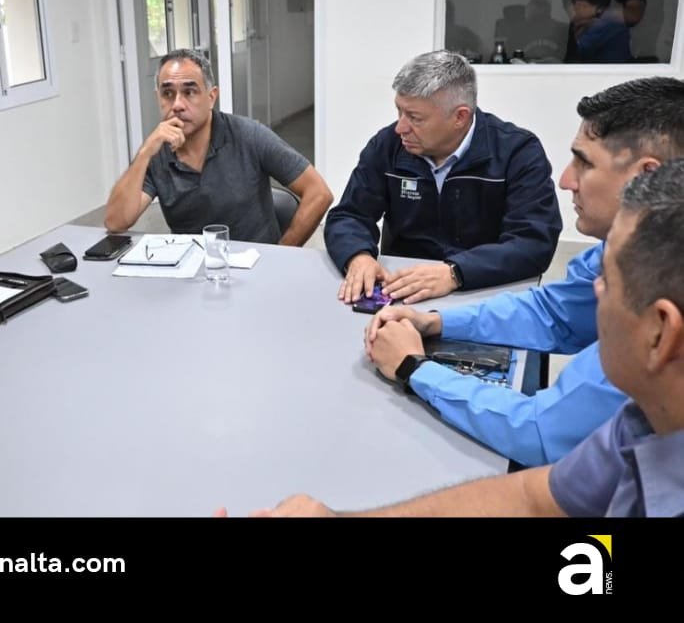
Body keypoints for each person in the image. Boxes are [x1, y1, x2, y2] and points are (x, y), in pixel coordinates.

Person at [227, 159, 684, 517]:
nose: (591, 290)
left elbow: (539, 433)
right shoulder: (639, 425)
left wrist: (415, 368)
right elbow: (532, 499)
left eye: (607, 280)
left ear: (661, 333)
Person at [362, 77, 684, 467]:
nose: (566, 181)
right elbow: (555, 313)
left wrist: (414, 367)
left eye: (584, 162)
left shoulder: (661, 294)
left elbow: (541, 432)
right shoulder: (622, 250)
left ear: (646, 176)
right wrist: (436, 322)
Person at [324, 49, 561, 306]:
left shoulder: (517, 153)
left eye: (415, 118)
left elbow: (533, 241)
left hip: (484, 291)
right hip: (404, 290)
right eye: (399, 111)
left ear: (460, 116)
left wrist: (456, 273)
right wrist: (358, 256)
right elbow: (349, 215)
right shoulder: (388, 146)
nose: (400, 127)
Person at [104, 48, 333, 245]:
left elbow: (319, 193)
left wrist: (280, 254)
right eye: (168, 94)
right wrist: (145, 153)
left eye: (189, 92)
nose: (177, 104)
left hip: (254, 265)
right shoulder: (157, 150)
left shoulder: (249, 135)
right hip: (192, 269)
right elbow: (116, 222)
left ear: (211, 97)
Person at [567, 0, 631, 64]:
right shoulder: (572, 28)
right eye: (575, 5)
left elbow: (581, 50)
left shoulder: (607, 27)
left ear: (599, 9)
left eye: (583, 6)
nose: (576, 9)